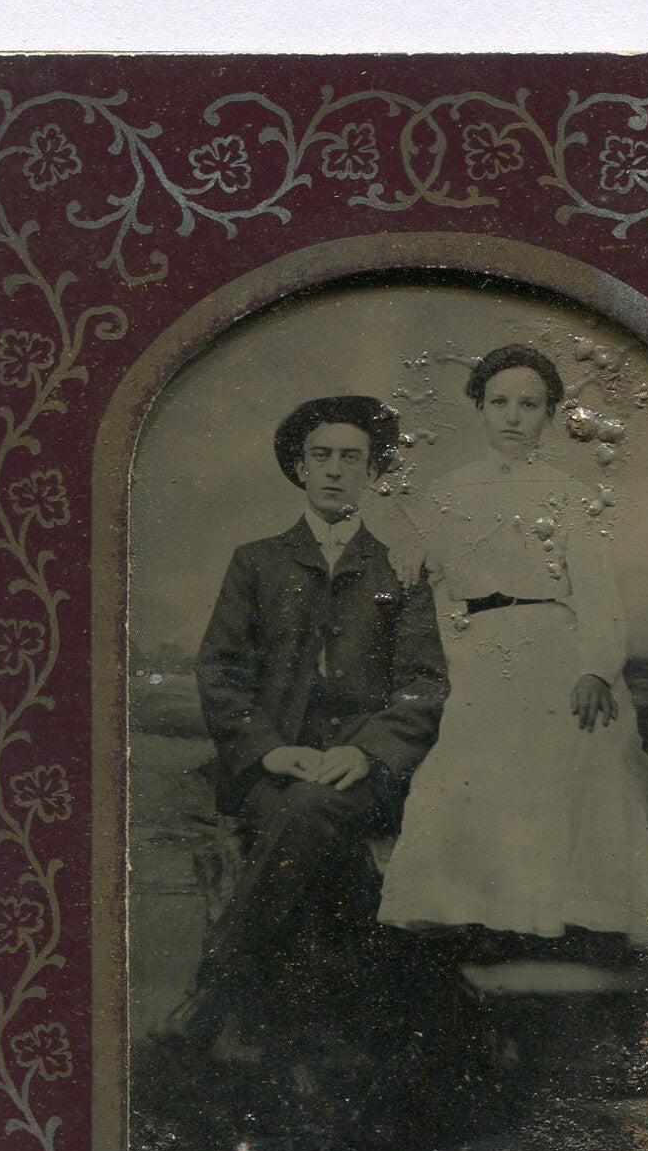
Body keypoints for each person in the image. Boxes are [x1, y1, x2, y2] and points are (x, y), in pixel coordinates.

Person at [175, 395, 449, 1049]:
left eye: (350, 458)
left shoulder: (397, 569)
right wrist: (269, 751)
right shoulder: (257, 561)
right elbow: (219, 669)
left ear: (372, 472)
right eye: (321, 456)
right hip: (272, 771)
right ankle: (343, 1040)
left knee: (306, 818)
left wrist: (372, 754)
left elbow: (424, 682)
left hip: (362, 775)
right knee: (301, 819)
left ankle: (215, 994)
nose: (334, 471)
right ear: (300, 468)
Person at [378, 345, 648, 948]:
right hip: (473, 648)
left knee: (568, 757)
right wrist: (413, 548)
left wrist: (595, 670)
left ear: (551, 414)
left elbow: (599, 597)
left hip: (555, 647)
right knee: (463, 762)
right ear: (479, 408)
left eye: (529, 405)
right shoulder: (445, 493)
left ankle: (558, 920)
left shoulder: (571, 494)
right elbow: (421, 577)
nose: (512, 416)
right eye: (499, 402)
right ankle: (465, 915)